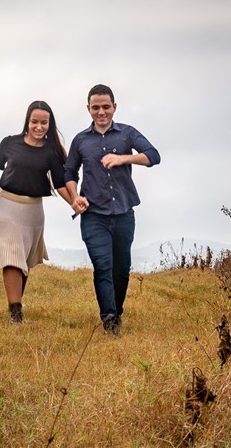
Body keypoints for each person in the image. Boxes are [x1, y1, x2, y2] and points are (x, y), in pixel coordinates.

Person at [65, 84, 160, 335]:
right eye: (95, 107)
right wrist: (75, 197)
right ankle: (109, 320)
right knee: (103, 266)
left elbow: (153, 156)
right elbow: (69, 172)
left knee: (121, 269)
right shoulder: (80, 140)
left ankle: (116, 312)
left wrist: (123, 158)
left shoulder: (127, 134)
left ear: (114, 107)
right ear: (88, 109)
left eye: (106, 106)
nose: (101, 112)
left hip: (124, 214)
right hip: (93, 215)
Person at [0, 100, 73, 324]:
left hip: (33, 210)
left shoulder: (52, 152)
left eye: (44, 122)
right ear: (27, 121)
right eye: (34, 121)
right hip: (6, 206)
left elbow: (60, 184)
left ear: (50, 124)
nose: (39, 127)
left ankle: (15, 306)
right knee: (11, 257)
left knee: (22, 259)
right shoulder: (10, 143)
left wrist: (75, 202)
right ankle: (16, 310)